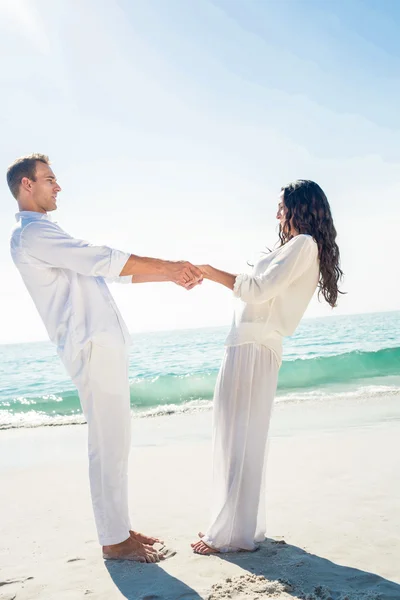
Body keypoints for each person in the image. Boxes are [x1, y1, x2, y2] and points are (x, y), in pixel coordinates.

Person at [7, 154, 202, 563]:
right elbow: (103, 258)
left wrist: (171, 274)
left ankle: (119, 527)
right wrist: (169, 266)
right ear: (27, 185)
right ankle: (113, 540)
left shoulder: (46, 233)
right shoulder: (32, 235)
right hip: (90, 346)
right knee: (108, 442)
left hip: (101, 345)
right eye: (50, 179)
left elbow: (109, 273)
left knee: (117, 440)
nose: (58, 186)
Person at [191, 180, 343, 554]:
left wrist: (210, 272)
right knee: (237, 437)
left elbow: (257, 291)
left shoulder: (304, 244)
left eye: (281, 206)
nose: (277, 214)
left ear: (300, 208)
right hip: (249, 344)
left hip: (254, 347)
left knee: (239, 439)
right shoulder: (298, 247)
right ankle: (240, 528)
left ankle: (232, 534)